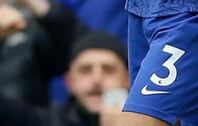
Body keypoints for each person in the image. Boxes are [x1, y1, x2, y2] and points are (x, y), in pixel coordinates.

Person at [0, 29, 130, 126]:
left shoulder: (148, 120)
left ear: (128, 80)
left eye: (108, 70)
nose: (97, 79)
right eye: (85, 70)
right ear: (69, 82)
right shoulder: (47, 121)